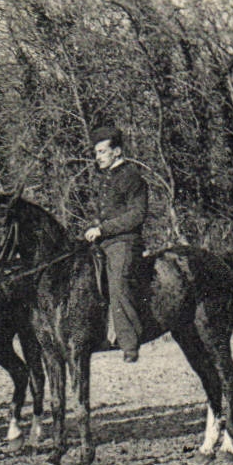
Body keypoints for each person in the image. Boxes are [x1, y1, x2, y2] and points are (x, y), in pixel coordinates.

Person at [83, 125, 148, 363]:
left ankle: (129, 342)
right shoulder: (103, 179)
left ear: (117, 152)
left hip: (124, 242)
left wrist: (103, 229)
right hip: (103, 242)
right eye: (96, 152)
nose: (97, 157)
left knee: (118, 281)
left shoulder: (132, 177)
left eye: (102, 151)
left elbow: (137, 215)